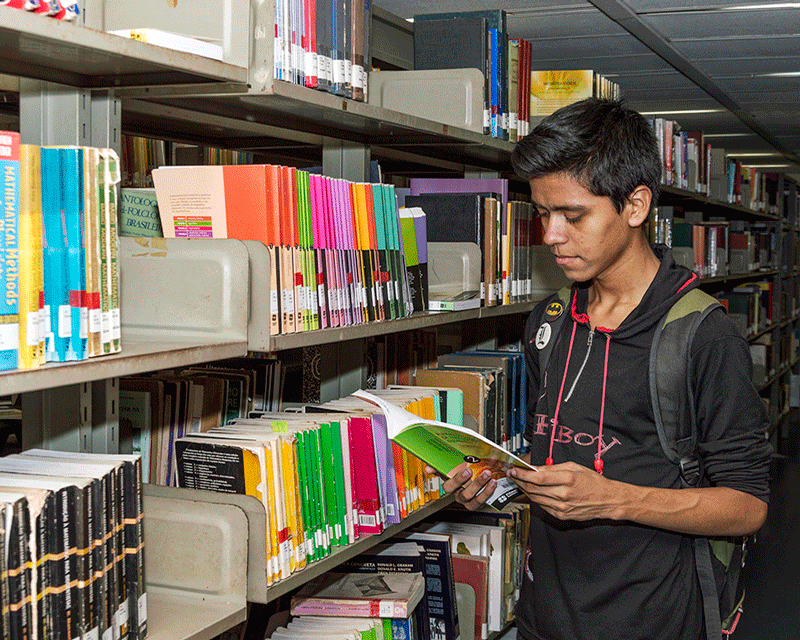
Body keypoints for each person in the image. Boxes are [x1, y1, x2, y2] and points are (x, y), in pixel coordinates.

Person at [435, 98, 772, 640]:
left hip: (654, 616)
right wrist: (499, 479)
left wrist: (613, 498)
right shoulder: (549, 320)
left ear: (635, 205)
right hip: (544, 612)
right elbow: (568, 449)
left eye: (573, 215)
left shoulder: (702, 334)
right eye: (543, 213)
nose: (551, 235)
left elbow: (748, 506)